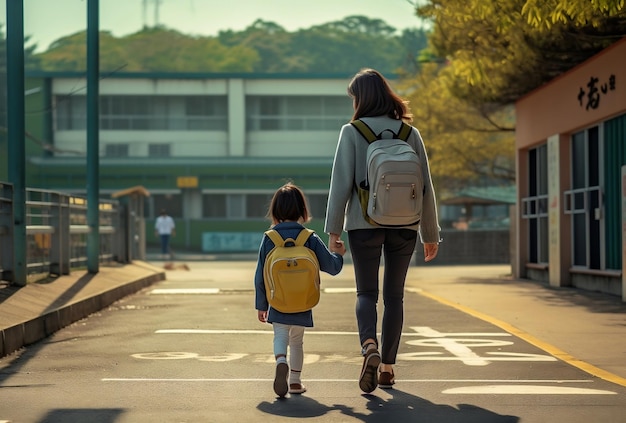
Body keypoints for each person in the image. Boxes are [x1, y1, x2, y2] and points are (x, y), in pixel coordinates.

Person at [324, 68, 441, 393]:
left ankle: (369, 346)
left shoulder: (352, 132)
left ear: (360, 99)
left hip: (364, 225)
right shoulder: (409, 133)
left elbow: (340, 184)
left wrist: (333, 230)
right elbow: (426, 186)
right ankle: (388, 367)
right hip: (406, 225)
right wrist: (430, 233)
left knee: (366, 294)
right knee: (394, 297)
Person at [254, 182, 346, 398]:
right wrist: (340, 254)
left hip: (278, 300)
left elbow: (260, 275)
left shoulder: (270, 238)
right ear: (302, 210)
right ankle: (295, 382)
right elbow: (331, 267)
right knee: (297, 341)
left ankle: (280, 361)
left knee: (280, 335)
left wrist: (261, 305)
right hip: (303, 301)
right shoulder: (309, 238)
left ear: (275, 211)